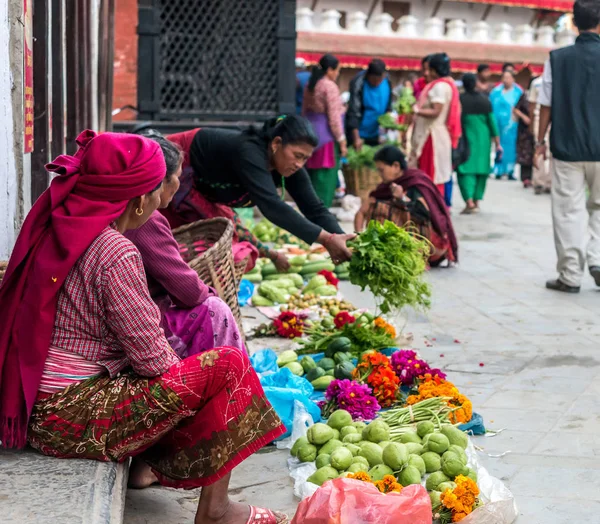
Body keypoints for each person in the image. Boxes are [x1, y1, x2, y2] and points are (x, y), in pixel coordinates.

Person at [0, 131, 287, 524]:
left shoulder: (62, 225)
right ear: (138, 201)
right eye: (156, 192)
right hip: (65, 416)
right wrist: (198, 394)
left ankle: (174, 475)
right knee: (229, 366)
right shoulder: (115, 251)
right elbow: (154, 362)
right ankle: (216, 510)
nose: (158, 203)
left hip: (41, 407)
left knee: (199, 367)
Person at [162, 116, 354, 269]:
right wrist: (326, 239)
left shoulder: (290, 167)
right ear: (276, 144)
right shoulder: (249, 151)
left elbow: (315, 209)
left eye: (305, 159)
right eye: (297, 156)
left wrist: (345, 239)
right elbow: (272, 206)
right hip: (173, 175)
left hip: (204, 190)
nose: (299, 164)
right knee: (199, 249)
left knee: (228, 251)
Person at [125, 132, 246, 359]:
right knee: (214, 309)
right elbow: (188, 292)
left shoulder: (128, 210)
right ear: (161, 180)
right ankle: (226, 383)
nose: (180, 184)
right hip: (139, 323)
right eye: (177, 177)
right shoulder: (145, 219)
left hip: (127, 315)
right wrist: (211, 293)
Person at [536, 0, 600, 293]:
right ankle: (598, 260)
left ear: (574, 22)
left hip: (567, 146)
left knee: (567, 211)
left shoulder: (557, 58)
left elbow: (545, 104)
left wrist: (539, 141)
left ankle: (570, 275)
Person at [354, 145, 457, 266]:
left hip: (429, 244)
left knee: (383, 208)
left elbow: (425, 213)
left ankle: (412, 254)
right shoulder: (385, 187)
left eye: (382, 170)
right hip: (398, 243)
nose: (379, 174)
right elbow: (361, 212)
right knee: (374, 204)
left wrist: (402, 198)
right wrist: (359, 239)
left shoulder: (414, 182)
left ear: (396, 166)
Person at [410, 53, 462, 200]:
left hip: (431, 136)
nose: (426, 73)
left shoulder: (439, 86)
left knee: (429, 176)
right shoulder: (446, 84)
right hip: (435, 134)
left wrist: (417, 110)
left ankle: (429, 209)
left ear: (434, 70)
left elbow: (436, 110)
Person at [302, 54, 347, 207]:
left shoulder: (311, 84)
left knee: (312, 178)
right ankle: (322, 213)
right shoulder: (329, 86)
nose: (337, 74)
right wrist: (341, 140)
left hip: (310, 134)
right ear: (329, 70)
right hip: (326, 137)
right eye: (337, 70)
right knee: (325, 180)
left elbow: (304, 110)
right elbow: (334, 117)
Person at [457, 73, 501, 213]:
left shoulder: (460, 100)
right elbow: (492, 122)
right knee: (482, 171)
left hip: (466, 140)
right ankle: (476, 201)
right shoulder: (485, 100)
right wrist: (497, 141)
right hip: (483, 140)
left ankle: (468, 201)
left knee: (465, 171)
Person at [345, 58, 393, 150]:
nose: (377, 83)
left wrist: (388, 124)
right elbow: (353, 112)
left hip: (376, 133)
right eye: (374, 80)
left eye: (380, 80)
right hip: (359, 133)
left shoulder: (387, 80)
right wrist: (356, 138)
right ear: (368, 75)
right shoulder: (358, 83)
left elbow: (388, 107)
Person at [490, 70, 523, 180]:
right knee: (498, 146)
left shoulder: (518, 92)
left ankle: (509, 170)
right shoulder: (495, 92)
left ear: (513, 79)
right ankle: (498, 169)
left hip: (511, 125)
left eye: (508, 77)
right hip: (497, 123)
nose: (506, 80)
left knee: (510, 147)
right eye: (504, 77)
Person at [528, 75, 552, 195]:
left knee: (551, 150)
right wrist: (532, 124)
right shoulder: (537, 83)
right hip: (540, 118)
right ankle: (539, 182)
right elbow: (532, 105)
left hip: (554, 119)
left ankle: (550, 182)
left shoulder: (558, 79)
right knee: (540, 148)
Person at [514, 91, 534, 188]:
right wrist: (524, 117)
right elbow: (516, 109)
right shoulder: (525, 95)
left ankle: (536, 178)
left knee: (535, 151)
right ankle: (526, 178)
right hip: (524, 129)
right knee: (525, 153)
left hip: (537, 127)